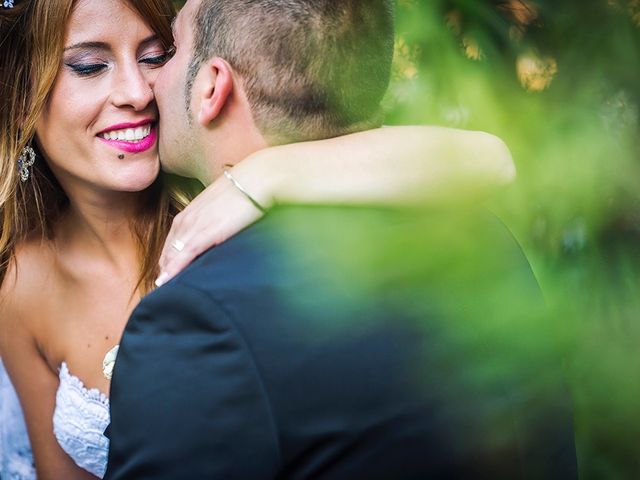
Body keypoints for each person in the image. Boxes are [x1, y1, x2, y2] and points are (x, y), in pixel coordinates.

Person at [0, 0, 515, 478]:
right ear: (23, 94)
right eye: (90, 66)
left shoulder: (233, 209)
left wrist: (274, 172)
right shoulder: (24, 282)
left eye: (158, 56)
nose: (137, 92)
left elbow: (489, 158)